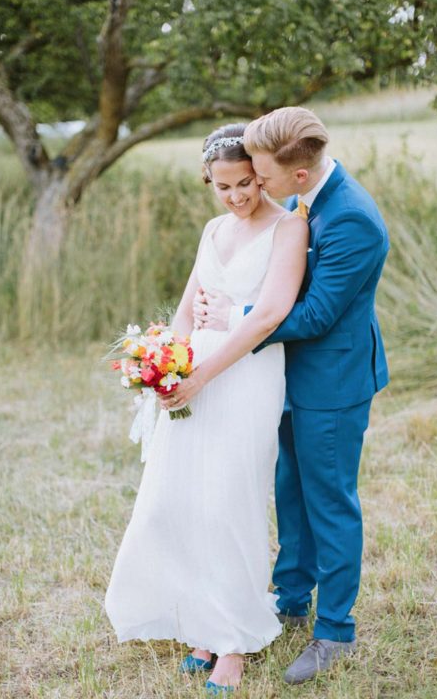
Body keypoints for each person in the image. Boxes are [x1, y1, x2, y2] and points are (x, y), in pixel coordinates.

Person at [105, 123, 308, 695]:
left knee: (227, 502)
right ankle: (202, 624)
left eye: (246, 183)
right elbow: (186, 313)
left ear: (259, 175)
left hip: (245, 376)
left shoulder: (289, 227)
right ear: (208, 183)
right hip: (192, 375)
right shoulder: (214, 229)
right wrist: (163, 365)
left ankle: (235, 642)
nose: (238, 196)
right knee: (184, 500)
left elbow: (268, 315)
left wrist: (198, 377)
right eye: (224, 187)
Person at [190, 107, 390, 684]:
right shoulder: (313, 198)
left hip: (331, 381)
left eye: (263, 175)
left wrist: (239, 316)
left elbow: (321, 312)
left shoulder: (351, 218)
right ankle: (293, 598)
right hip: (283, 375)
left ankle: (334, 631)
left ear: (297, 175)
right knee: (291, 491)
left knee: (329, 500)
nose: (256, 184)